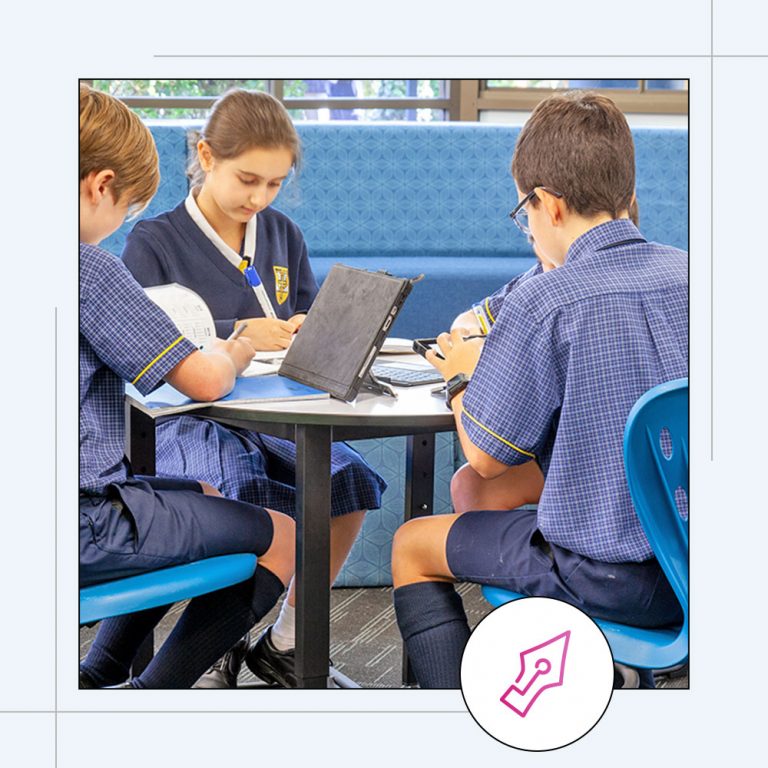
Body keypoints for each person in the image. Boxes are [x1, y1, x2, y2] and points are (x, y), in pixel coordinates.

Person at [391, 92, 687, 689]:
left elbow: (486, 449)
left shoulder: (546, 301)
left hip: (618, 577)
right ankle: (567, 665)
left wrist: (460, 376)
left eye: (523, 213)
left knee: (411, 544)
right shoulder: (693, 272)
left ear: (547, 204)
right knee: (474, 491)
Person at [121, 89, 387, 688]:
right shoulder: (154, 243)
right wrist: (237, 333)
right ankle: (219, 643)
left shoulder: (282, 234)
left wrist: (308, 331)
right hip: (188, 415)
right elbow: (142, 340)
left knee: (349, 480)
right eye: (248, 179)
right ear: (206, 155)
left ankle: (286, 641)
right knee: (241, 489)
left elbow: (309, 318)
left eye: (274, 184)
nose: (259, 198)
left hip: (274, 412)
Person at [78, 84, 296, 689]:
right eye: (126, 208)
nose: (122, 224)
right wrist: (236, 349)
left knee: (197, 489)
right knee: (281, 534)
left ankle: (97, 673)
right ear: (100, 186)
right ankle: (153, 699)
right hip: (79, 525)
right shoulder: (87, 266)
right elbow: (202, 379)